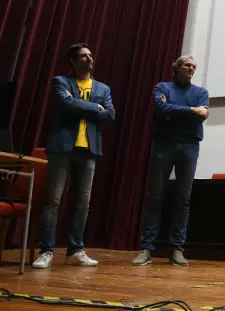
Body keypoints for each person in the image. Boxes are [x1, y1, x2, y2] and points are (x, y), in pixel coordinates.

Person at [32, 43, 116, 269]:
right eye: (83, 56)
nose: (89, 59)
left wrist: (82, 105)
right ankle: (46, 251)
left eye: (90, 55)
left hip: (89, 151)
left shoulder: (103, 88)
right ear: (73, 61)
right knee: (53, 201)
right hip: (62, 148)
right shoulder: (61, 82)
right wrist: (95, 108)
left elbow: (110, 114)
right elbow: (65, 103)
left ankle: (75, 251)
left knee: (82, 204)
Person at [132, 55, 209, 266]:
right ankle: (146, 248)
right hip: (163, 144)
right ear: (177, 67)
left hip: (189, 146)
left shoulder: (201, 92)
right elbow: (161, 109)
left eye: (194, 66)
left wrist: (173, 110)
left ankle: (176, 249)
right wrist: (191, 110)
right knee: (156, 195)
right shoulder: (162, 87)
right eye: (187, 65)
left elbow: (201, 115)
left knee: (183, 198)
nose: (191, 68)